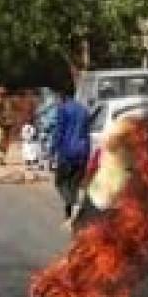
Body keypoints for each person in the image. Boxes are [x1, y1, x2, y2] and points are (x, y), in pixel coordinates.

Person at [51, 91, 91, 221]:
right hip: (83, 151)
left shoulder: (63, 109)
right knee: (74, 183)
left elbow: (59, 131)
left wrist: (52, 150)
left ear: (62, 97)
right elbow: (86, 131)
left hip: (67, 152)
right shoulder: (84, 110)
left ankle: (72, 203)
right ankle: (69, 214)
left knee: (60, 182)